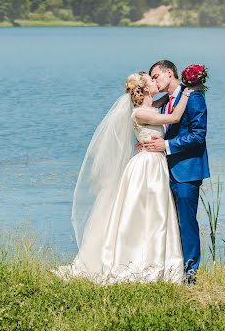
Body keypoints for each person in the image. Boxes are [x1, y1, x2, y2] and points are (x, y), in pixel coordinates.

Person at [55, 72, 192, 285]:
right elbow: (174, 117)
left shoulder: (150, 108)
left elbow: (164, 99)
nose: (156, 82)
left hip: (155, 163)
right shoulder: (140, 114)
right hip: (147, 166)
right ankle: (135, 261)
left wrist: (177, 88)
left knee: (156, 214)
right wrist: (189, 94)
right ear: (146, 89)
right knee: (143, 213)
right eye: (152, 80)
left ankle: (157, 258)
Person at [143, 60, 210, 284]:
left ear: (169, 73)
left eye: (155, 76)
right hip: (163, 171)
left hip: (187, 171)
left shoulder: (193, 96)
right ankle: (170, 271)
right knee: (167, 223)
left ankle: (191, 275)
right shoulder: (165, 102)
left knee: (186, 223)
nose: (153, 81)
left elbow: (198, 134)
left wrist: (167, 146)